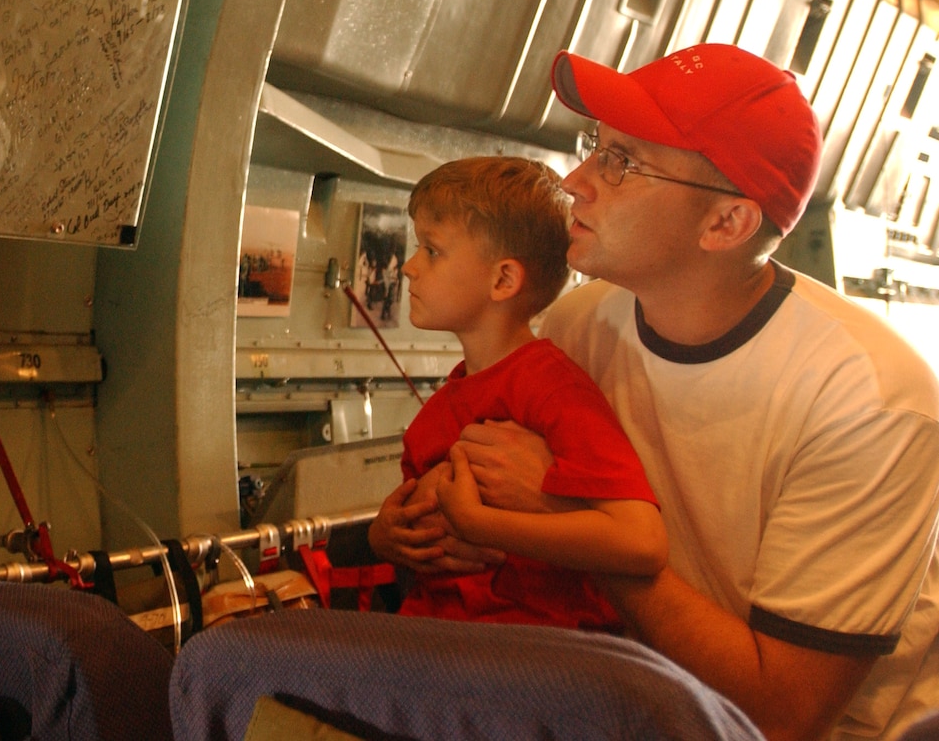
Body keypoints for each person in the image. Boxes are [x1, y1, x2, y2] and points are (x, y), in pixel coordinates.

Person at [369, 44, 939, 741]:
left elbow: (781, 714)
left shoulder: (867, 401)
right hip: (629, 702)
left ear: (724, 224)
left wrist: (569, 524)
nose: (576, 181)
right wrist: (410, 528)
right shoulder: (581, 324)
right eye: (594, 147)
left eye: (622, 162)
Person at [381, 156, 666, 629]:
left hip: (536, 656)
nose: (410, 267)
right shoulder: (438, 412)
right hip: (439, 640)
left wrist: (480, 524)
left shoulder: (551, 388)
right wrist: (385, 538)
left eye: (431, 250)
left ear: (503, 280)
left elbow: (641, 542)